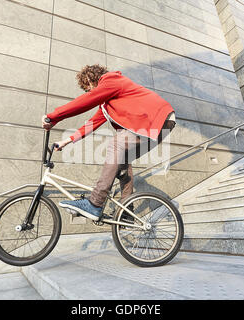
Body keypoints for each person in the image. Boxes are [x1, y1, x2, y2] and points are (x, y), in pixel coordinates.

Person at [42, 64, 176, 221]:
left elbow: (86, 101)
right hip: (161, 125)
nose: (89, 92)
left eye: (88, 88)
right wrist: (67, 140)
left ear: (90, 80)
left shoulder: (112, 80)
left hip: (157, 120)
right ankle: (127, 211)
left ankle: (95, 202)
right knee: (123, 163)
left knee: (116, 144)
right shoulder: (107, 103)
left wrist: (53, 117)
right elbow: (92, 123)